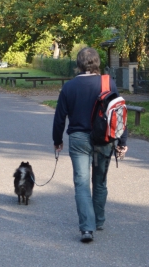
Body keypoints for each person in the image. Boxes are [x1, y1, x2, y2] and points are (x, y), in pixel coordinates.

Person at [52, 47, 128, 243]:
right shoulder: (107, 82)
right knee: (100, 181)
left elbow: (60, 117)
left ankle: (87, 228)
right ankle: (99, 220)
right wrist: (122, 142)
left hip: (78, 139)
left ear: (78, 64)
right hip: (104, 139)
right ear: (97, 63)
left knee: (82, 184)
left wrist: (57, 140)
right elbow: (118, 112)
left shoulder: (69, 87)